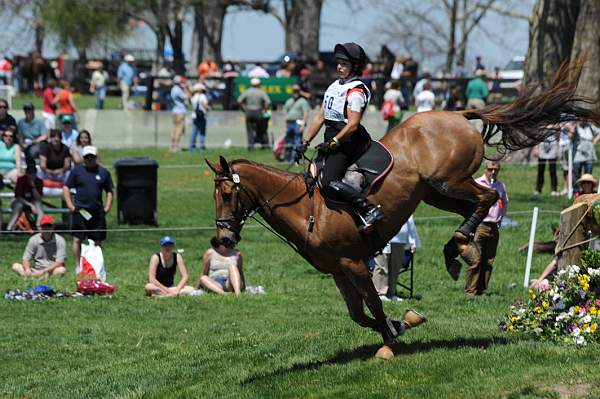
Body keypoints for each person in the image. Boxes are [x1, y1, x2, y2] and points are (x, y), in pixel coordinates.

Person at [299, 42, 384, 232]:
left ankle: (368, 209)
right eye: (338, 63)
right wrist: (305, 142)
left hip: (347, 141)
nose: (339, 67)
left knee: (329, 182)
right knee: (310, 176)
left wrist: (336, 141)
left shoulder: (356, 91)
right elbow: (320, 116)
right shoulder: (334, 86)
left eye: (344, 64)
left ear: (354, 66)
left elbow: (353, 124)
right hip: (331, 139)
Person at [63, 146, 113, 268]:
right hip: (81, 210)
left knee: (97, 241)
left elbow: (109, 191)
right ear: (84, 158)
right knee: (77, 239)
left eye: (92, 157)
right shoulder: (76, 171)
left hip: (97, 211)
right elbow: (66, 187)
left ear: (96, 157)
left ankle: (97, 266)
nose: (90, 159)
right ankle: (77, 266)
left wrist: (107, 207)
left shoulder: (103, 172)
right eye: (87, 157)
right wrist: (70, 205)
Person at [465, 160, 509, 296]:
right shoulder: (477, 183)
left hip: (493, 226)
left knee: (489, 261)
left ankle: (482, 290)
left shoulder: (500, 186)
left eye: (496, 170)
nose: (493, 172)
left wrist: (500, 218)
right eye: (490, 169)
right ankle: (470, 292)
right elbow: (468, 203)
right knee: (475, 260)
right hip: (480, 225)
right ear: (485, 169)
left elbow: (505, 202)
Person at [372, 215, 420, 301]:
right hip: (381, 237)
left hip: (399, 239)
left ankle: (391, 293)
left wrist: (413, 242)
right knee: (381, 266)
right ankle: (380, 293)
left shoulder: (406, 205)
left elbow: (410, 222)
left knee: (395, 268)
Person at [7, 164, 44, 231]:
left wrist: (33, 186)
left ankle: (39, 228)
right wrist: (30, 205)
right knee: (18, 206)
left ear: (36, 174)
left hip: (33, 201)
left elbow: (38, 198)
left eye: (33, 173)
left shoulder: (39, 181)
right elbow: (18, 197)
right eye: (29, 173)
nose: (31, 175)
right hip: (20, 201)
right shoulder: (21, 180)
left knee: (39, 205)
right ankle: (9, 228)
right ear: (26, 173)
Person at [237, 78, 271, 150]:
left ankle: (251, 146)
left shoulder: (247, 91)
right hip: (258, 112)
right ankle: (264, 145)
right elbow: (268, 102)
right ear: (258, 84)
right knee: (261, 129)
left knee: (250, 130)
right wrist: (264, 110)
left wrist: (243, 110)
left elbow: (239, 101)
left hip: (249, 112)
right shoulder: (261, 92)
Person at [568, 121, 600, 192]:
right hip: (578, 154)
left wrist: (594, 141)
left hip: (589, 154)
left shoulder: (591, 126)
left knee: (588, 175)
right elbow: (570, 137)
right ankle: (576, 193)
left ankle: (588, 193)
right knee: (576, 174)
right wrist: (572, 130)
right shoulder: (575, 126)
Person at [283, 84, 311, 164]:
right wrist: (285, 125)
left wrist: (303, 124)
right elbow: (285, 113)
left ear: (300, 91)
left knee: (297, 141)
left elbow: (305, 113)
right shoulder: (289, 101)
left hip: (298, 123)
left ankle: (294, 160)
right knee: (289, 142)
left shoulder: (303, 101)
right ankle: (289, 158)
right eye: (294, 91)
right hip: (289, 123)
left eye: (297, 91)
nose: (295, 92)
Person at [170, 75, 189, 152]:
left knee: (175, 128)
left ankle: (173, 145)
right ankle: (176, 146)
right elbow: (187, 96)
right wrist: (185, 88)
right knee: (179, 130)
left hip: (175, 111)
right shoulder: (178, 90)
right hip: (180, 112)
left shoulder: (173, 89)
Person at [189, 83, 209, 152]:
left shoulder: (193, 97)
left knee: (194, 132)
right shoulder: (203, 96)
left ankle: (191, 147)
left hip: (195, 116)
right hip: (202, 116)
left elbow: (192, 106)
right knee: (202, 132)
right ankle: (202, 147)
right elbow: (205, 106)